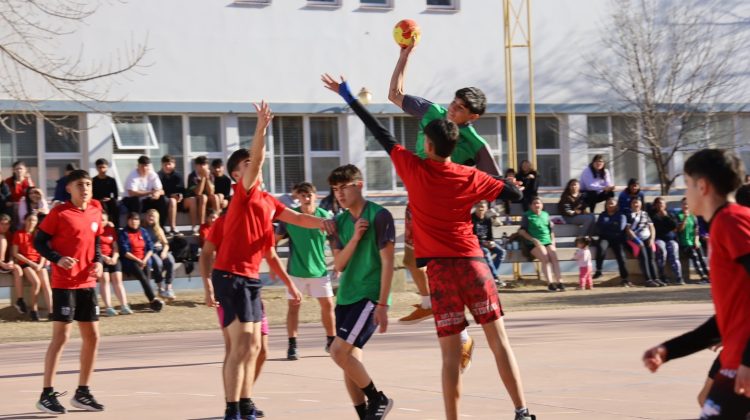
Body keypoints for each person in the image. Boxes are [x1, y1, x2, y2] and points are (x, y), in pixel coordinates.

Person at [324, 74, 535, 420]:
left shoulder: (413, 168)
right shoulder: (471, 176)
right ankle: (522, 410)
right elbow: (514, 194)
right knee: (500, 342)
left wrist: (348, 95)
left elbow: (379, 130)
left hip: (440, 271)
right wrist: (512, 183)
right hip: (473, 264)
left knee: (451, 356)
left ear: (430, 144)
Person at [209, 102, 333, 420]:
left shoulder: (268, 201)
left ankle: (245, 402)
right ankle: (232, 409)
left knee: (252, 346)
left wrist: (328, 223)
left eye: (255, 163)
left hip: (251, 279)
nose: (256, 167)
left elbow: (299, 219)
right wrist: (262, 128)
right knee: (239, 345)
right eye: (249, 164)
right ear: (238, 174)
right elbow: (260, 156)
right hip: (229, 276)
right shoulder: (244, 192)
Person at [387, 42, 501, 368]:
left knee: (443, 274)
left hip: (447, 213)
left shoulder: (477, 144)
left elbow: (494, 181)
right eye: (455, 100)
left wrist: (495, 189)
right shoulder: (434, 113)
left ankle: (458, 330)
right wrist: (404, 56)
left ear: (473, 116)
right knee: (410, 262)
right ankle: (439, 314)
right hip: (418, 201)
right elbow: (395, 94)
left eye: (462, 107)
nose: (453, 107)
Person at [642, 149, 750, 419]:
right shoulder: (723, 226)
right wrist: (669, 350)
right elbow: (728, 319)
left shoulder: (732, 222)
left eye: (687, 184)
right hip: (735, 362)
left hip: (740, 366)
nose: (686, 192)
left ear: (703, 186)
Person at [200, 209, 294, 419]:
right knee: (235, 348)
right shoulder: (224, 222)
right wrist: (208, 287)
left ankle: (245, 397)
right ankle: (232, 404)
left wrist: (290, 284)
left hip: (252, 288)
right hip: (228, 287)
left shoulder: (262, 224)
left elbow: (271, 255)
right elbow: (206, 253)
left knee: (260, 350)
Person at [324, 164, 396, 420]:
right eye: (335, 189)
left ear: (359, 185)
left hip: (369, 295)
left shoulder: (380, 216)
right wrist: (354, 238)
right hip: (346, 297)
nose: (339, 194)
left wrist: (383, 304)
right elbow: (339, 264)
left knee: (338, 351)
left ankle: (378, 398)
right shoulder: (337, 223)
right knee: (348, 360)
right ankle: (363, 414)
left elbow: (388, 263)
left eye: (344, 187)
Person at [33, 169, 105, 414]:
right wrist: (57, 258)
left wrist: (98, 261)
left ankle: (82, 392)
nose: (85, 189)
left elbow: (96, 239)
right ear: (69, 188)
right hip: (64, 283)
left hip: (87, 283)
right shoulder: (59, 213)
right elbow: (38, 241)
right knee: (61, 337)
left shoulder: (96, 209)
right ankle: (46, 394)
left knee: (93, 337)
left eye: (88, 184)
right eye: (80, 185)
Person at [274, 182, 336, 361]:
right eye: (302, 196)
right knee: (294, 307)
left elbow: (334, 242)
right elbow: (275, 240)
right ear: (298, 198)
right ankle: (292, 345)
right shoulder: (291, 218)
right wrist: (274, 265)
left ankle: (331, 341)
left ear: (315, 196)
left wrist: (338, 265)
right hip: (296, 270)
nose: (306, 199)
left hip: (319, 270)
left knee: (328, 306)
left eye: (309, 195)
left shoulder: (325, 217)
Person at [118, 212, 164, 312]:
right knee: (143, 277)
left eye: (136, 219)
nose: (134, 222)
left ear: (139, 221)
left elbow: (150, 247)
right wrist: (139, 261)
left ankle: (152, 301)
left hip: (144, 260)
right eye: (132, 219)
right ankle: (153, 300)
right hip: (130, 261)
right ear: (128, 220)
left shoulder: (143, 231)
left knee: (146, 276)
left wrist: (144, 260)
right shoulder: (124, 233)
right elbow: (125, 252)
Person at [518, 196, 565, 292]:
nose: (537, 205)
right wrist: (533, 239)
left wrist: (553, 242)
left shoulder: (545, 214)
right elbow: (521, 231)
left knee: (554, 257)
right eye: (534, 203)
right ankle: (550, 283)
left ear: (542, 205)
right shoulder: (527, 215)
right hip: (534, 242)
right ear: (530, 206)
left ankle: (560, 282)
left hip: (547, 241)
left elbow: (550, 231)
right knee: (545, 258)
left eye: (538, 203)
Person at [12, 213, 51, 321]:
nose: (31, 222)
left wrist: (40, 264)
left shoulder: (38, 234)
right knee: (36, 282)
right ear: (25, 221)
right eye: (29, 220)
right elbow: (15, 253)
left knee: (46, 284)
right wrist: (31, 263)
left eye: (34, 220)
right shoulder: (19, 234)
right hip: (26, 263)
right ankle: (34, 309)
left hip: (38, 263)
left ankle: (51, 312)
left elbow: (43, 251)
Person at [98, 212, 131, 316]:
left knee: (117, 278)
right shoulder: (94, 231)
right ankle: (108, 307)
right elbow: (93, 249)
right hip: (100, 258)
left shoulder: (110, 230)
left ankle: (124, 305)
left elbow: (115, 247)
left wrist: (115, 257)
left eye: (104, 220)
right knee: (105, 279)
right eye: (100, 219)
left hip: (112, 258)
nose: (101, 222)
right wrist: (104, 257)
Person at [593, 197, 632, 286]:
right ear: (605, 205)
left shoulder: (621, 215)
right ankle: (599, 270)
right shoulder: (602, 215)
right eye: (608, 203)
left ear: (616, 205)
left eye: (612, 203)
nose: (610, 205)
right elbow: (600, 228)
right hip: (605, 238)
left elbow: (620, 228)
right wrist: (612, 225)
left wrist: (607, 226)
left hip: (617, 238)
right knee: (601, 247)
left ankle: (624, 278)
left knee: (621, 256)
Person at [625, 198, 663, 287]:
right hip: (635, 239)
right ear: (631, 204)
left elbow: (652, 227)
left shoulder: (645, 214)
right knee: (644, 257)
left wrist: (652, 239)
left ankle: (656, 278)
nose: (636, 204)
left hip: (647, 238)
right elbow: (628, 230)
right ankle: (648, 280)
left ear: (641, 204)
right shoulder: (629, 215)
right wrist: (637, 240)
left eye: (637, 202)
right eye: (634, 202)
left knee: (652, 258)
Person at [122, 155, 168, 226]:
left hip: (146, 200)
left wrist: (157, 194)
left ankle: (161, 226)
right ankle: (137, 227)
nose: (144, 168)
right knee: (136, 200)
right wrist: (150, 192)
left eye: (146, 166)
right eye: (142, 166)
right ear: (138, 166)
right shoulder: (133, 175)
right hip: (131, 200)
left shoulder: (153, 174)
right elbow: (132, 193)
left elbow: (161, 190)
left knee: (163, 199)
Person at [471, 200, 507, 287]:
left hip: (486, 242)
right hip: (475, 244)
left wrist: (492, 241)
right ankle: (495, 277)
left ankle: (490, 275)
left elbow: (490, 235)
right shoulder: (471, 219)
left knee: (501, 252)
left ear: (486, 208)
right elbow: (471, 236)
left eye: (483, 207)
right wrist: (483, 243)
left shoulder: (487, 219)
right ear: (475, 207)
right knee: (486, 251)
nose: (481, 208)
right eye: (479, 206)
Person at [143, 209, 176, 301]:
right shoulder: (143, 229)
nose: (151, 217)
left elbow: (165, 244)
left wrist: (164, 252)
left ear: (157, 218)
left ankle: (168, 288)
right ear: (146, 217)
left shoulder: (159, 229)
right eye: (149, 215)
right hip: (150, 251)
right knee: (157, 263)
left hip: (160, 249)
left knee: (171, 261)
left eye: (153, 216)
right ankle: (160, 288)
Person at [676, 198, 710, 284]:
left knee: (701, 256)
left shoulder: (693, 215)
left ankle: (709, 276)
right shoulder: (678, 215)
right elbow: (679, 230)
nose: (686, 206)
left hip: (694, 241)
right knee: (694, 256)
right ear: (681, 205)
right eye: (684, 204)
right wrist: (684, 219)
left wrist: (696, 240)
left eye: (687, 204)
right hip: (685, 243)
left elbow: (696, 228)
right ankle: (702, 276)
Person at [651, 197, 684, 285]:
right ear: (655, 205)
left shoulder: (670, 214)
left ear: (665, 205)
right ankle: (662, 276)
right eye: (658, 203)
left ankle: (679, 277)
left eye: (662, 203)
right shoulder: (652, 215)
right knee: (662, 250)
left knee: (673, 251)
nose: (660, 205)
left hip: (671, 239)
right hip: (659, 239)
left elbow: (674, 226)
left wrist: (665, 216)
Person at [186, 155, 219, 235]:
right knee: (203, 197)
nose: (202, 167)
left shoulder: (210, 175)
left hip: (205, 200)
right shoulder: (192, 176)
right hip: (193, 200)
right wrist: (203, 178)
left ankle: (218, 224)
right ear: (196, 166)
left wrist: (207, 178)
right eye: (200, 164)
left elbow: (211, 192)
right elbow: (198, 192)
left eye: (204, 164)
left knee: (215, 197)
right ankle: (201, 226)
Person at [157, 155, 187, 237]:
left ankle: (173, 229)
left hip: (179, 202)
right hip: (163, 202)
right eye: (165, 164)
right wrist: (171, 195)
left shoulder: (178, 176)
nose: (167, 166)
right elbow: (159, 191)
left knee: (174, 200)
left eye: (169, 164)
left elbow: (182, 190)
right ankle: (173, 228)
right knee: (171, 201)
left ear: (174, 165)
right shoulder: (158, 176)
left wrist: (179, 195)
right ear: (162, 165)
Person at [92, 158, 119, 228]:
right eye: (100, 167)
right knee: (102, 205)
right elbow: (91, 195)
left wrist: (110, 198)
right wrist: (99, 200)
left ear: (107, 168)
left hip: (109, 201)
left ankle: (115, 227)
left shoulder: (111, 180)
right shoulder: (93, 181)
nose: (102, 170)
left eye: (104, 167)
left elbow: (116, 195)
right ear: (97, 168)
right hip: (97, 201)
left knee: (114, 204)